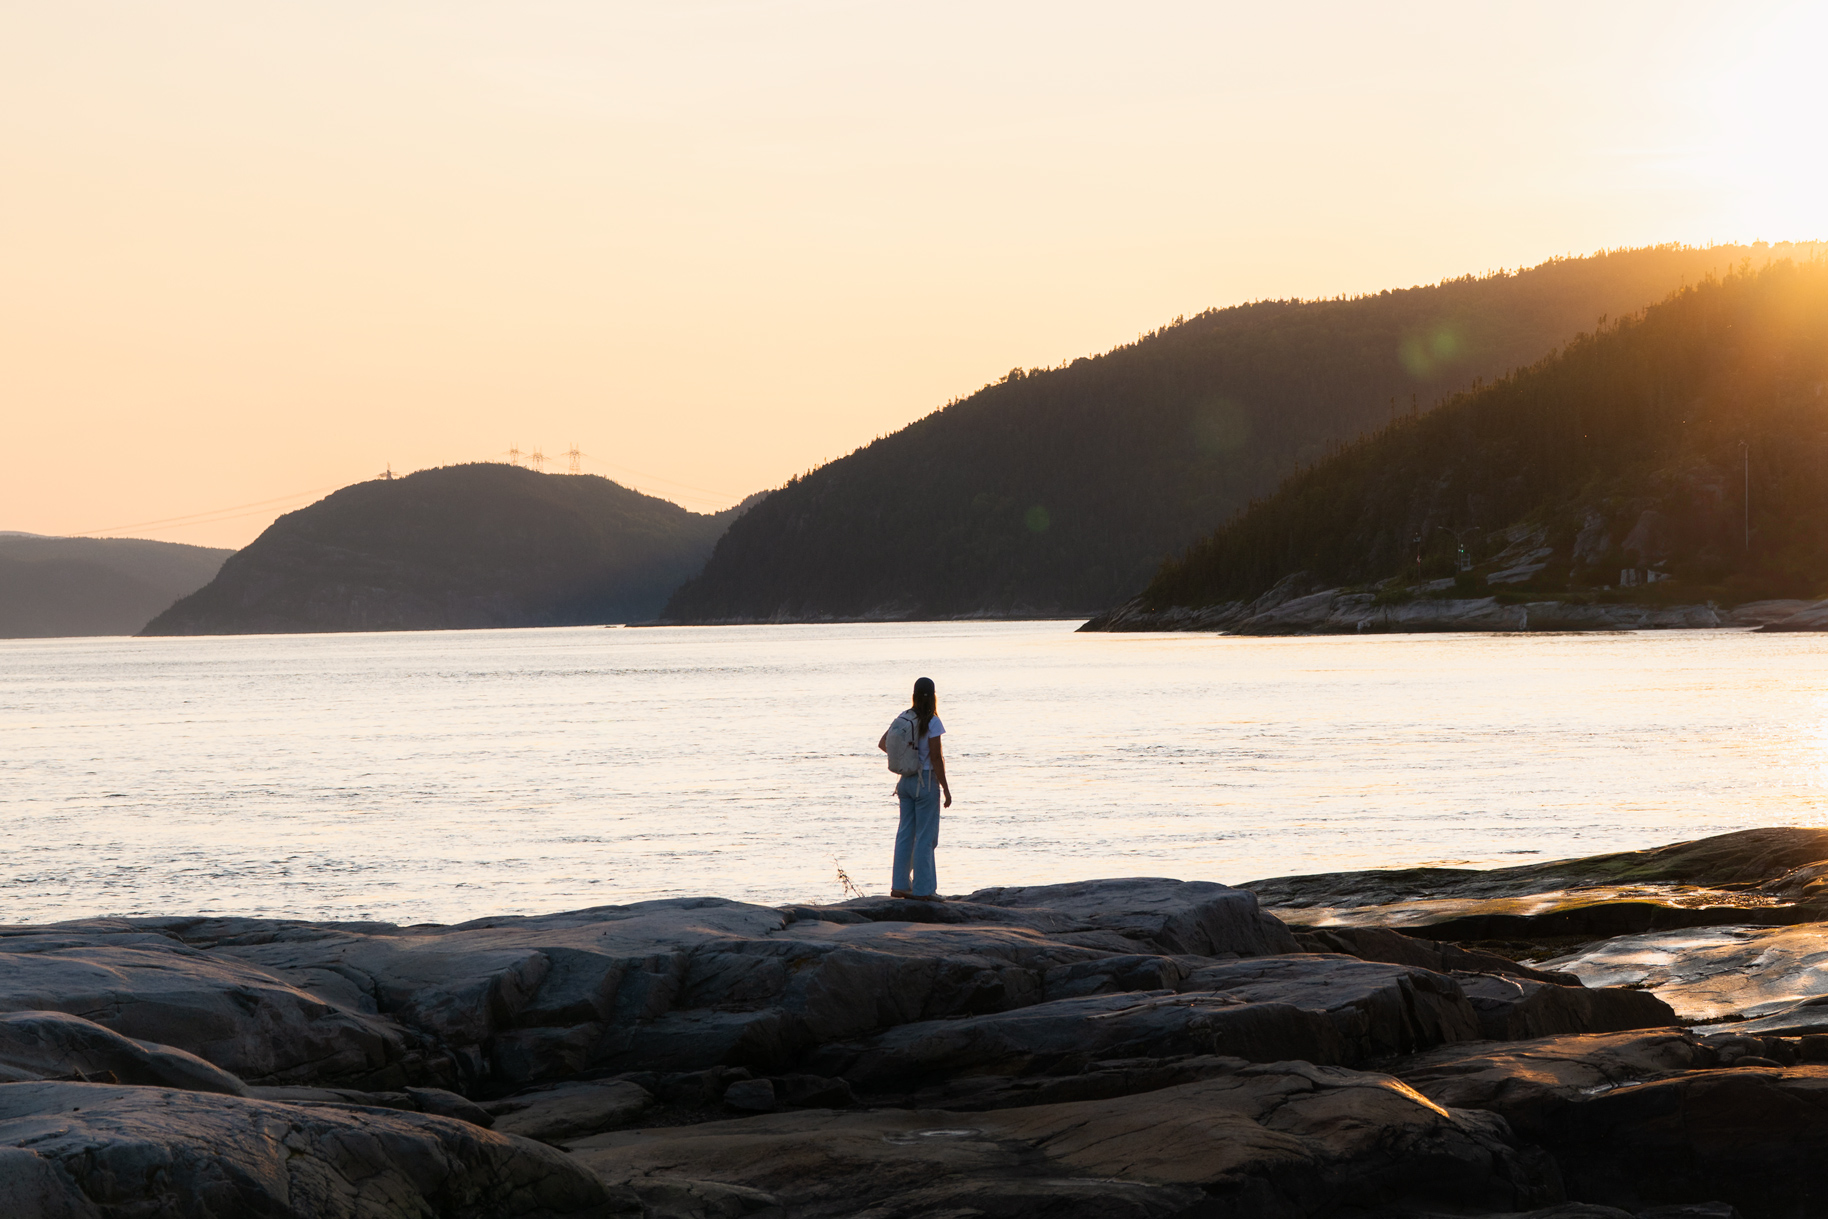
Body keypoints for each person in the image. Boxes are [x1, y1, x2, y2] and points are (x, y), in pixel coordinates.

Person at [878, 676, 952, 900]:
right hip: (925, 782)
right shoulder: (932, 722)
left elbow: (884, 744)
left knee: (905, 834)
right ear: (934, 696)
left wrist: (907, 758)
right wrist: (946, 790)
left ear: (914, 695)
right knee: (925, 837)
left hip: (905, 782)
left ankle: (900, 885)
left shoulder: (904, 717)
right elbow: (936, 758)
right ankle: (924, 890)